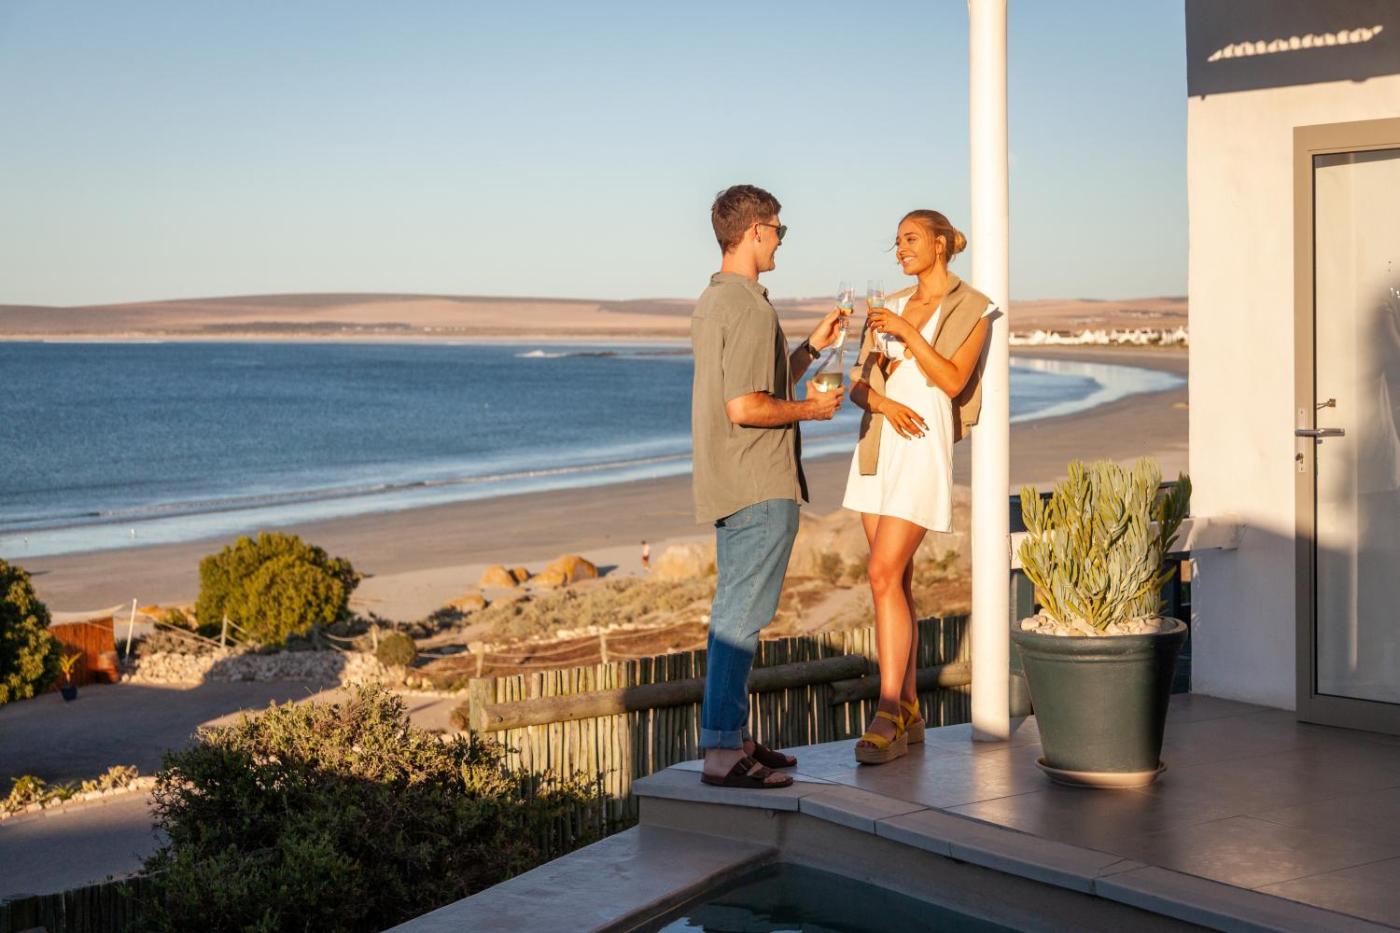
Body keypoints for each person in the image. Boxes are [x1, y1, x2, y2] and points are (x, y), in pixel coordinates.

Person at [691, 184, 847, 788]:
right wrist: (812, 410)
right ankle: (722, 752)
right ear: (755, 231)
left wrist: (810, 348)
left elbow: (759, 383)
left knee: (735, 614)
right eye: (779, 229)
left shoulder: (716, 301)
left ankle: (734, 738)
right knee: (739, 620)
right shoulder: (750, 309)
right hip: (759, 482)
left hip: (730, 480)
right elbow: (746, 406)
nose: (782, 240)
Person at [842, 210, 994, 764]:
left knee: (881, 573)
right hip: (877, 445)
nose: (901, 248)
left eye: (911, 239)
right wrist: (883, 403)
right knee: (895, 580)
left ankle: (887, 709)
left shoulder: (973, 307)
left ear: (940, 244)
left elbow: (952, 380)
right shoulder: (889, 306)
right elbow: (858, 385)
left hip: (922, 449)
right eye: (897, 241)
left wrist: (906, 332)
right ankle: (908, 709)